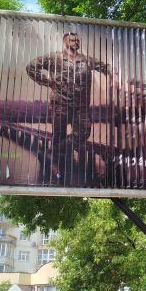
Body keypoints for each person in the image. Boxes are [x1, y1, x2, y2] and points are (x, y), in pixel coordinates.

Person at [26, 32, 117, 183]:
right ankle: (57, 169)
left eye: (78, 40)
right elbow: (31, 67)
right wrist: (48, 82)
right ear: (65, 42)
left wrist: (115, 75)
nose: (76, 42)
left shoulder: (86, 60)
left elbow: (105, 67)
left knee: (84, 132)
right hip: (60, 103)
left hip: (81, 106)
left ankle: (51, 152)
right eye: (73, 40)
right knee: (59, 135)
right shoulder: (55, 57)